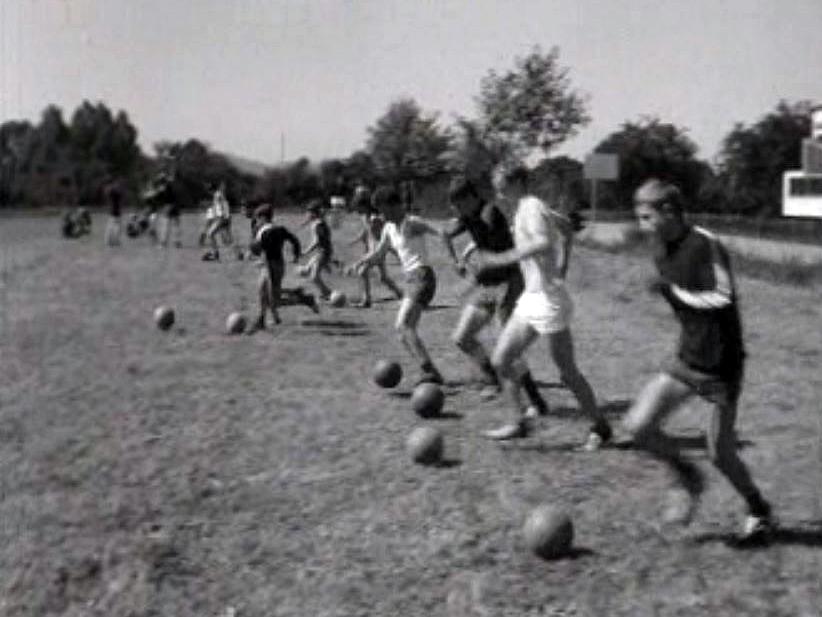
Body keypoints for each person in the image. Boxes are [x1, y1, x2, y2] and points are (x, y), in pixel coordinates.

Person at [622, 178, 773, 540]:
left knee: (721, 454)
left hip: (722, 366)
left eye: (646, 217)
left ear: (669, 211)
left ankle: (757, 508)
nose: (640, 226)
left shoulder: (705, 243)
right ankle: (687, 475)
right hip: (687, 360)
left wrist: (673, 291)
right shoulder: (660, 250)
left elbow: (721, 297)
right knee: (637, 426)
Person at [475, 165, 611, 448]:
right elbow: (566, 229)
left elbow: (543, 241)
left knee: (567, 372)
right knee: (501, 359)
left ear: (517, 182)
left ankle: (600, 426)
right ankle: (518, 422)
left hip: (549, 302)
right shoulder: (526, 209)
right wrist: (562, 266)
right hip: (532, 298)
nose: (497, 191)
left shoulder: (532, 206)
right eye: (495, 185)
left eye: (501, 184)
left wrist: (501, 259)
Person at [443, 176, 549, 416]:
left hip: (509, 283)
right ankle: (494, 380)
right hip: (488, 286)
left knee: (508, 346)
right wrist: (455, 261)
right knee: (462, 337)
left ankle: (536, 401)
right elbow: (444, 233)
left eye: (458, 205)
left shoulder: (490, 214)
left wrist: (470, 281)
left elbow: (496, 260)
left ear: (470, 198)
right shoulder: (467, 215)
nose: (457, 211)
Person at [350, 185, 445, 385]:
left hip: (423, 277)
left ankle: (429, 371)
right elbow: (378, 254)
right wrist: (361, 262)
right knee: (402, 331)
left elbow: (441, 232)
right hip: (411, 279)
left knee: (404, 326)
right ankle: (430, 371)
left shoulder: (412, 222)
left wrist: (456, 257)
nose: (381, 214)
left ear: (393, 206)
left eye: (383, 209)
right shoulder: (389, 228)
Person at [246, 204, 320, 333]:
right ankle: (262, 320)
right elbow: (294, 240)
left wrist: (253, 248)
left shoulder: (268, 231)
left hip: (273, 267)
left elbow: (258, 248)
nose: (256, 221)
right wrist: (296, 254)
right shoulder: (276, 229)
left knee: (275, 300)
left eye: (258, 218)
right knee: (262, 291)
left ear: (263, 218)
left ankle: (305, 299)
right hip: (269, 265)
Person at [347, 186, 403, 308]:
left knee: (362, 271)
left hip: (377, 251)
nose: (356, 210)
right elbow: (367, 232)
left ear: (364, 206)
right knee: (384, 278)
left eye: (358, 207)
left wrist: (361, 260)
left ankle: (367, 300)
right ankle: (400, 294)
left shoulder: (375, 220)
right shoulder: (365, 218)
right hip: (374, 251)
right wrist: (358, 239)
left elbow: (382, 239)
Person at [301, 200, 335, 300]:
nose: (306, 214)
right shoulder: (319, 222)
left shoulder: (318, 224)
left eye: (308, 212)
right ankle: (326, 292)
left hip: (323, 253)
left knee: (314, 277)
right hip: (322, 252)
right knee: (306, 271)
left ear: (314, 213)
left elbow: (317, 241)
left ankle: (328, 294)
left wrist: (305, 252)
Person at [103, 180, 123, 246]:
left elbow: (108, 191)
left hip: (113, 212)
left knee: (112, 227)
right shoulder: (116, 193)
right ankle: (114, 242)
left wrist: (111, 187)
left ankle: (110, 242)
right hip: (116, 212)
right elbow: (118, 192)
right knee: (116, 228)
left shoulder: (113, 193)